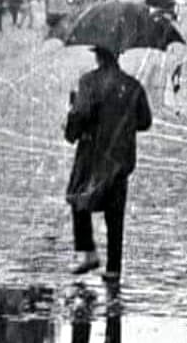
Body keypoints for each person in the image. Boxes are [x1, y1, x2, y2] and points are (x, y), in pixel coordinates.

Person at [64, 46, 152, 281]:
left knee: (77, 196)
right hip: (121, 157)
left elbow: (81, 114)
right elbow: (145, 121)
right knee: (115, 212)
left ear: (98, 56)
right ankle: (114, 269)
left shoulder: (89, 82)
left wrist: (71, 127)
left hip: (93, 156)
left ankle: (87, 252)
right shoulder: (132, 86)